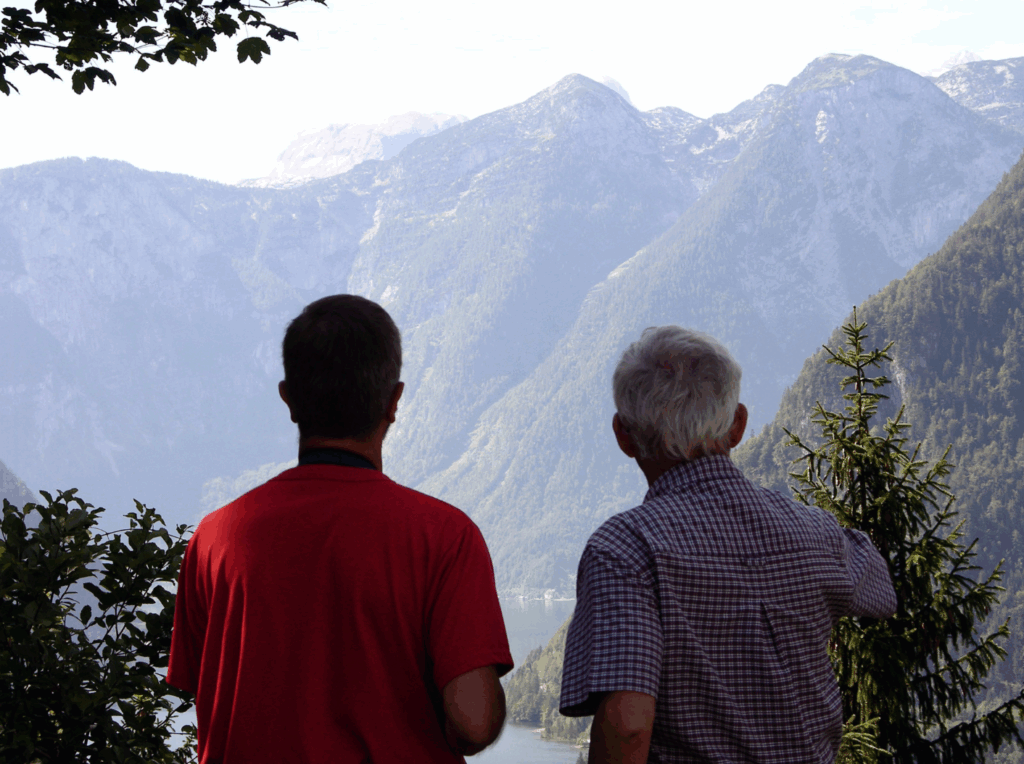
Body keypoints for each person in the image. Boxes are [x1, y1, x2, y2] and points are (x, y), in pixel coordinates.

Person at [167, 294, 513, 763]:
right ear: (393, 401)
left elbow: (207, 693)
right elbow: (473, 721)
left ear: (289, 399)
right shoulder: (443, 536)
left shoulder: (215, 539)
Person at [559, 326, 897, 764]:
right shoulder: (817, 531)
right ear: (738, 425)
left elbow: (627, 728)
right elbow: (883, 595)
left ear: (623, 435)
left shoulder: (625, 549)